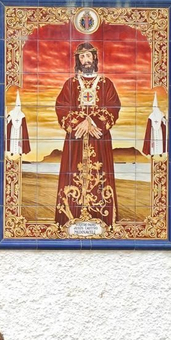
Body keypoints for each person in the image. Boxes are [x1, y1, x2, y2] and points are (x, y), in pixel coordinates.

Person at [53, 42, 120, 230]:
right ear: (78, 61)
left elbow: (113, 106)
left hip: (99, 140)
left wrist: (93, 123)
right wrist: (80, 123)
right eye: (82, 57)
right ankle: (69, 218)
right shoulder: (71, 84)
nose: (85, 60)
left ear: (95, 58)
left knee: (100, 177)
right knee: (73, 174)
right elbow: (62, 107)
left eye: (88, 56)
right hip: (75, 141)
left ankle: (103, 220)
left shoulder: (106, 83)